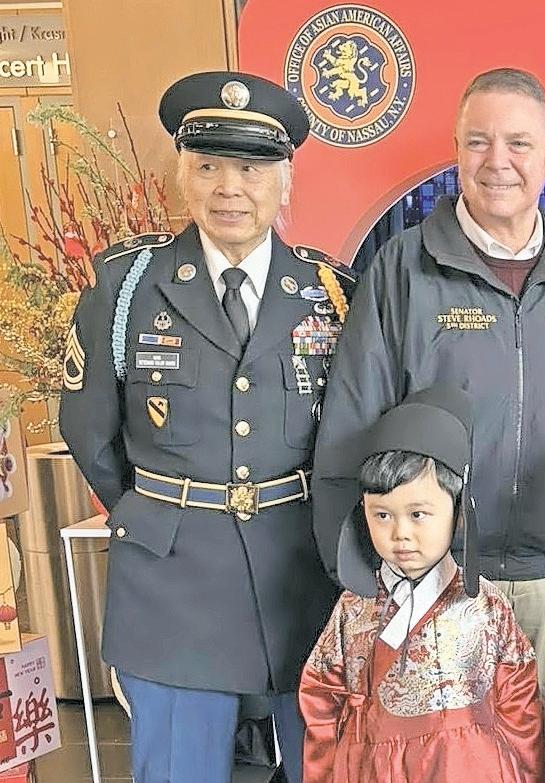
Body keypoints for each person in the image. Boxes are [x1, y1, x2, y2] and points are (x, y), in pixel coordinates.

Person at [311, 67, 545, 755]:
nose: (497, 161)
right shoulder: (401, 270)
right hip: (437, 577)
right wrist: (363, 573)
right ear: (456, 151)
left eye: (518, 143)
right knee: (451, 759)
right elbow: (351, 427)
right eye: (478, 142)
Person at [59, 71, 356, 782]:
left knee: (325, 766)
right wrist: (159, 510)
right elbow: (90, 430)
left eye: (251, 169)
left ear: (285, 180)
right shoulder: (126, 287)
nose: (230, 188)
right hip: (171, 585)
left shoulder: (331, 291)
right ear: (182, 176)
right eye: (209, 166)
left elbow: (352, 433)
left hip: (301, 579)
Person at [299, 384, 545, 782]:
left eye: (418, 514)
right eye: (382, 515)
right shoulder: (353, 608)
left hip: (466, 769)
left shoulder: (486, 606)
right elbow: (321, 701)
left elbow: (520, 710)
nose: (400, 534)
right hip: (374, 768)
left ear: (457, 513)